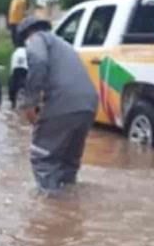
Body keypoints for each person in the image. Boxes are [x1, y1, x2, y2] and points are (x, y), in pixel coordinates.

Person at [17, 17, 99, 192]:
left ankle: (50, 210)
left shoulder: (37, 39)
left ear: (26, 34)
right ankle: (69, 208)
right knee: (68, 162)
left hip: (64, 101)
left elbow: (38, 61)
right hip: (88, 104)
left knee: (43, 158)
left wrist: (30, 102)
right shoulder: (64, 44)